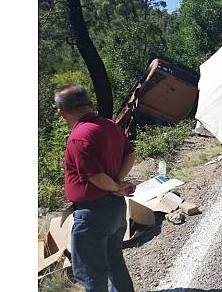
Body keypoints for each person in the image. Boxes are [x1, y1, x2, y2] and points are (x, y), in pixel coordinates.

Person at [55, 84, 136, 292]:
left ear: (62, 114)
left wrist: (114, 185)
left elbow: (96, 177)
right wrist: (117, 183)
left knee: (91, 273)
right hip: (115, 208)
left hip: (93, 214)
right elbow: (130, 154)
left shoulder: (79, 137)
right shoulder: (110, 125)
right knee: (114, 261)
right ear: (90, 104)